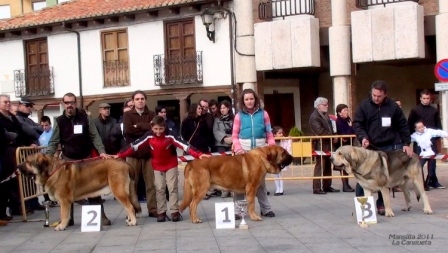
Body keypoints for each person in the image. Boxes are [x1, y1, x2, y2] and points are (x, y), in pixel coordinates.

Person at [116, 116, 209, 222]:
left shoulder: (170, 135)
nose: (158, 132)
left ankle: (174, 211)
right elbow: (134, 146)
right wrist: (119, 155)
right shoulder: (149, 136)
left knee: (172, 187)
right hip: (157, 166)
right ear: (152, 127)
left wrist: (199, 154)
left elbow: (185, 145)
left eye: (161, 129)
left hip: (171, 164)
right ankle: (161, 212)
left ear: (165, 127)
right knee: (159, 188)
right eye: (155, 129)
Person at [46, 92, 110, 226]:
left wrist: (102, 151)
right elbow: (53, 142)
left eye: (72, 102)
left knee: (93, 188)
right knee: (66, 190)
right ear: (63, 104)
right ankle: (68, 219)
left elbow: (95, 136)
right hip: (68, 161)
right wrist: (48, 157)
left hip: (86, 160)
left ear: (76, 103)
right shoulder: (58, 121)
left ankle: (101, 216)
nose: (69, 105)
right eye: (67, 102)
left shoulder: (85, 117)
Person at [353, 80, 412, 216]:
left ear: (385, 94)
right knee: (363, 177)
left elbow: (403, 125)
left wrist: (406, 144)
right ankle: (361, 207)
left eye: (379, 96)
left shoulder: (393, 107)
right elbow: (357, 124)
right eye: (374, 95)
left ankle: (381, 205)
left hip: (388, 147)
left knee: (383, 178)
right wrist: (363, 137)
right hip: (369, 147)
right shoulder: (364, 106)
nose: (376, 98)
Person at [232, 88, 276, 218]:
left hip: (260, 150)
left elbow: (269, 133)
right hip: (243, 149)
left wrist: (272, 146)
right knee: (239, 181)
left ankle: (266, 209)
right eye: (246, 99)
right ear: (243, 101)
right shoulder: (239, 116)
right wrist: (239, 149)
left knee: (260, 181)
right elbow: (234, 135)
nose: (249, 101)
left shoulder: (264, 114)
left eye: (251, 99)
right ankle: (238, 211)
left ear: (255, 99)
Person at [123, 90, 158, 217]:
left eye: (142, 98)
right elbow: (128, 131)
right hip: (133, 154)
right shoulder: (128, 115)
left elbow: (154, 130)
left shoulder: (152, 114)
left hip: (149, 154)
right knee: (132, 184)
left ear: (146, 100)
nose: (140, 101)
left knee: (151, 184)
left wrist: (138, 126)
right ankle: (131, 210)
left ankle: (153, 209)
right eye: (137, 99)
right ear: (133, 101)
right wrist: (145, 128)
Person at [408, 89, 444, 190]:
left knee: (432, 163)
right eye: (424, 98)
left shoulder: (434, 110)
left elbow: (438, 125)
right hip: (419, 141)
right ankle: (421, 183)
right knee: (420, 163)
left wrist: (436, 138)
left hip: (431, 140)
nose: (426, 100)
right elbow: (410, 124)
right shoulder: (415, 110)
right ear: (420, 99)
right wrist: (411, 138)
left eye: (428, 98)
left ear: (430, 99)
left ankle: (432, 180)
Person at [309, 97, 340, 194]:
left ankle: (327, 186)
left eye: (327, 104)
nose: (327, 106)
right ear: (318, 106)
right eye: (324, 105)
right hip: (320, 144)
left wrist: (334, 136)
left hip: (328, 143)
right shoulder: (314, 117)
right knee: (320, 166)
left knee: (328, 166)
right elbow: (319, 131)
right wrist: (332, 136)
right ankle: (317, 188)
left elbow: (330, 127)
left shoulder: (325, 115)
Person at [212, 100, 234, 198]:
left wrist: (232, 139)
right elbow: (215, 131)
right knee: (222, 168)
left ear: (228, 108)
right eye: (221, 108)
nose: (222, 110)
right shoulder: (217, 119)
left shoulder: (234, 118)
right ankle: (224, 189)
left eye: (224, 108)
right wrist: (224, 138)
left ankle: (233, 188)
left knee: (232, 167)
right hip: (221, 144)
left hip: (232, 143)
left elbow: (237, 129)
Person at [334, 104, 355, 192]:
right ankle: (345, 186)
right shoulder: (339, 121)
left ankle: (347, 185)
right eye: (344, 110)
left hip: (349, 146)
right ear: (339, 113)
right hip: (342, 146)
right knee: (343, 165)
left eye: (347, 110)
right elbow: (345, 135)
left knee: (347, 165)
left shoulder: (347, 120)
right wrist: (350, 127)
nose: (347, 112)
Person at [272, 126, 291, 196]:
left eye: (282, 133)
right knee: (275, 174)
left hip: (281, 159)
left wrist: (289, 140)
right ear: (274, 134)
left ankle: (281, 189)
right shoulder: (272, 142)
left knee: (280, 174)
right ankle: (277, 188)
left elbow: (288, 149)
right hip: (274, 160)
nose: (282, 134)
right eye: (279, 133)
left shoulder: (284, 141)